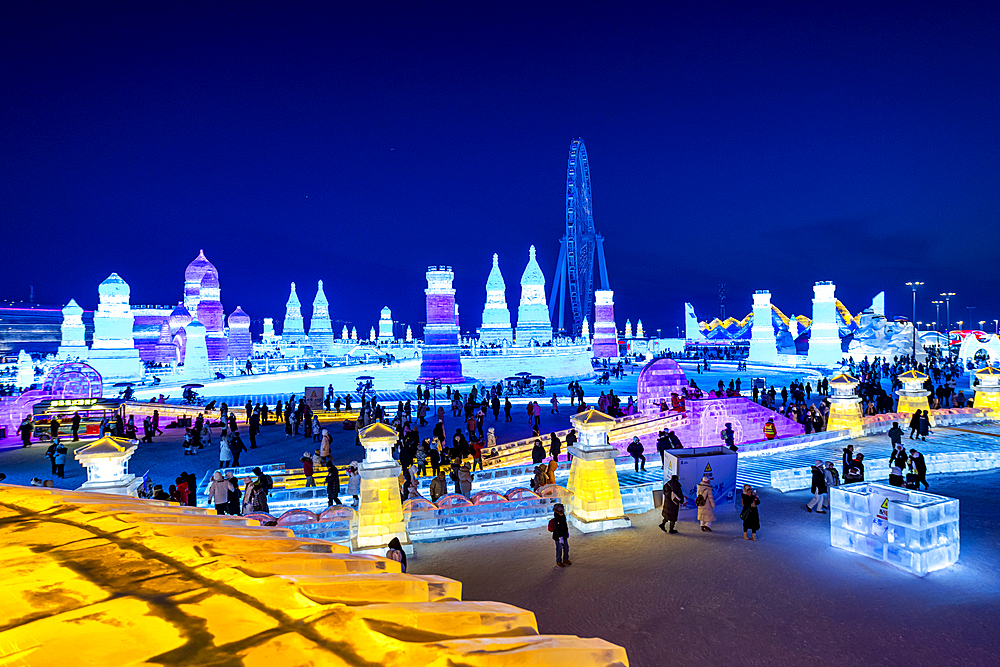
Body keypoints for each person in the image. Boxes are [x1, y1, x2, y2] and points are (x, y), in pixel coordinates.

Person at [550, 503, 571, 567]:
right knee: (559, 549)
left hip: (564, 535)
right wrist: (560, 537)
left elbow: (565, 525)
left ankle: (565, 559)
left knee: (566, 548)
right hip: (558, 537)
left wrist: (566, 532)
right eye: (562, 508)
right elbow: (557, 529)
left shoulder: (562, 516)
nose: (563, 509)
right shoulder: (557, 518)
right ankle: (558, 561)